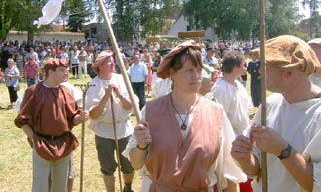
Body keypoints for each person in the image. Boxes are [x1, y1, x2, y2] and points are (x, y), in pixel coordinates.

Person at [125, 40, 246, 191]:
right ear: (172, 74)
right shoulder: (151, 111)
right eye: (189, 70)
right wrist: (141, 146)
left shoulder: (216, 113)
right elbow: (136, 164)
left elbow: (230, 172)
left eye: (199, 69)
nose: (196, 76)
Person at [231, 35, 321, 192]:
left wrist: (283, 150)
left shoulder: (317, 113)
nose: (259, 70)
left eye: (266, 65)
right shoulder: (270, 105)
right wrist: (244, 158)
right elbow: (257, 169)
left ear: (288, 72)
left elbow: (314, 185)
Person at [14, 58, 89, 192]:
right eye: (62, 70)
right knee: (40, 187)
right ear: (50, 72)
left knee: (61, 187)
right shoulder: (34, 91)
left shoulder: (65, 91)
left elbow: (72, 119)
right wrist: (35, 139)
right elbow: (22, 121)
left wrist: (80, 117)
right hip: (42, 144)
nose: (66, 73)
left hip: (63, 144)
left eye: (66, 70)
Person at [85, 50, 135, 192]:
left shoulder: (122, 79)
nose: (112, 63)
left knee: (128, 164)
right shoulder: (93, 85)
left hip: (124, 130)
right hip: (104, 133)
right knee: (107, 167)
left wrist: (119, 94)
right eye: (108, 61)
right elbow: (93, 115)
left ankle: (127, 187)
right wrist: (106, 96)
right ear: (99, 65)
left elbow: (130, 106)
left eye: (113, 60)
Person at [212, 51, 251, 136]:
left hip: (243, 133)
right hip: (230, 136)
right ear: (236, 67)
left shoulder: (238, 85)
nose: (245, 68)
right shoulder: (220, 88)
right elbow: (218, 118)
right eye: (243, 65)